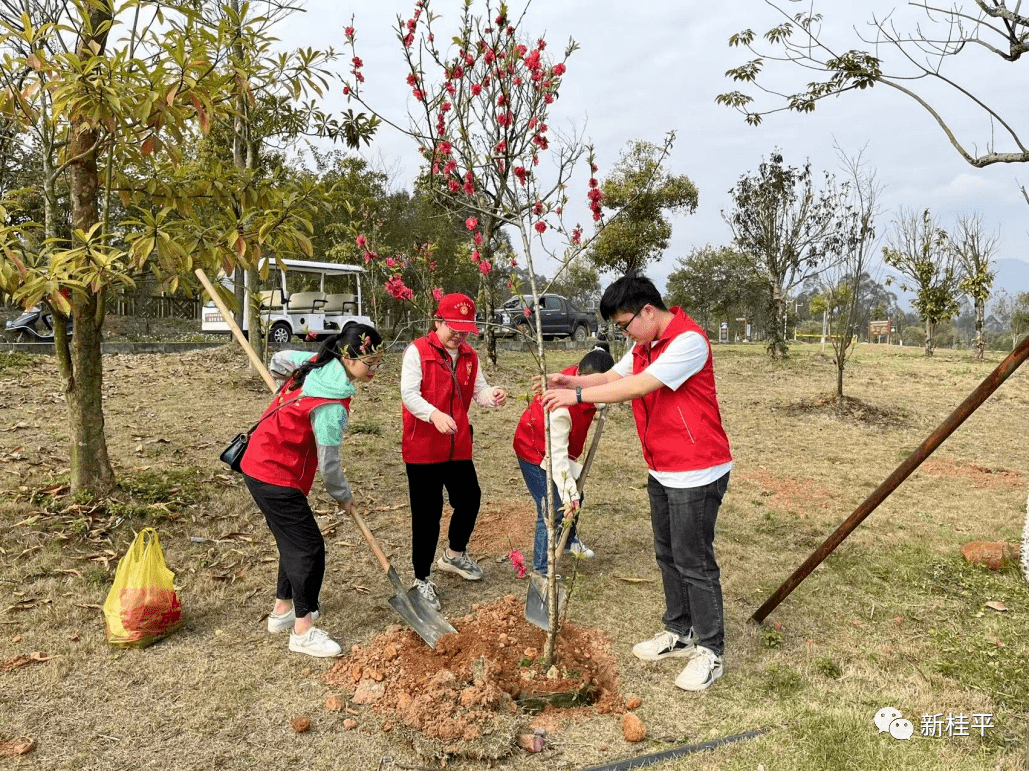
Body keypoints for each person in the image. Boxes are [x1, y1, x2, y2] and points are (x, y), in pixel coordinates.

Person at [540, 274, 732, 691]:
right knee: (667, 553)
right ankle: (679, 632)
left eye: (625, 324)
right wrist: (573, 381)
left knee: (693, 560)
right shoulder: (644, 345)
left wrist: (576, 399)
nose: (624, 333)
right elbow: (614, 376)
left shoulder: (687, 341)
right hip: (662, 467)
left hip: (696, 469)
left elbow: (640, 386)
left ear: (648, 311)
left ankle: (711, 651)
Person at [241, 324, 384, 658]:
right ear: (348, 358)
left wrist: (280, 390)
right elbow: (329, 466)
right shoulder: (331, 407)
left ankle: (282, 612)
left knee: (293, 543)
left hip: (259, 461)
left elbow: (278, 360)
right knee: (309, 549)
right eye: (370, 363)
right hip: (274, 473)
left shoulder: (316, 360)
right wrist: (343, 496)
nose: (375, 370)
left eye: (380, 362)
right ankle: (302, 630)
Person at [401, 293, 506, 611]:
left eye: (465, 329)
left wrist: (493, 395)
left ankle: (454, 555)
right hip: (423, 448)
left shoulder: (470, 356)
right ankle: (421, 579)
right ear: (438, 321)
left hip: (457, 445)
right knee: (427, 515)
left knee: (469, 499)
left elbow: (478, 390)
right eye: (454, 327)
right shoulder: (417, 351)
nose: (459, 335)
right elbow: (408, 393)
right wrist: (433, 414)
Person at [514, 347, 615, 575]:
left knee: (578, 495)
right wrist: (568, 496)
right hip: (535, 450)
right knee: (551, 508)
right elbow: (557, 459)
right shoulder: (561, 409)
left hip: (561, 447)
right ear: (579, 376)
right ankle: (542, 570)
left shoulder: (580, 381)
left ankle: (568, 541)